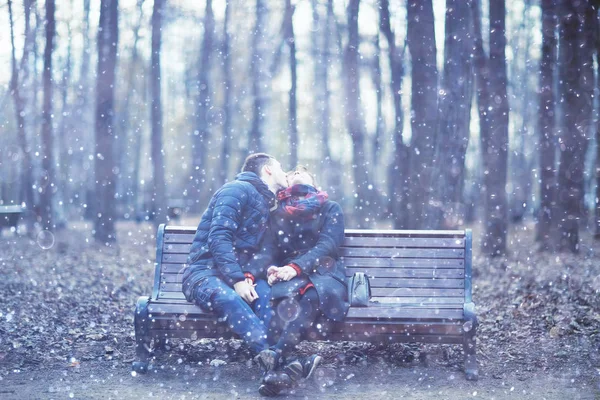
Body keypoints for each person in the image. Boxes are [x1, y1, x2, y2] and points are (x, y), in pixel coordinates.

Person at [181, 153, 289, 377]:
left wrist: (250, 275)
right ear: (268, 169)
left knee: (267, 295)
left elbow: (259, 250)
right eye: (280, 166)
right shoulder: (236, 190)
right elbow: (219, 237)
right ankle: (278, 362)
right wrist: (237, 280)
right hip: (204, 273)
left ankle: (272, 370)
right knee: (229, 298)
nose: (284, 172)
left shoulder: (266, 202)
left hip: (238, 274)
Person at [246, 165, 349, 396]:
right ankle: (287, 372)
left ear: (314, 181)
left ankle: (275, 356)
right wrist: (256, 272)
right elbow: (267, 251)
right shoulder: (277, 215)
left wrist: (297, 267)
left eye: (303, 171)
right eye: (292, 172)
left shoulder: (330, 208)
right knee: (280, 302)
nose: (297, 173)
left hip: (324, 271)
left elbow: (328, 245)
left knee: (313, 294)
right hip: (288, 275)